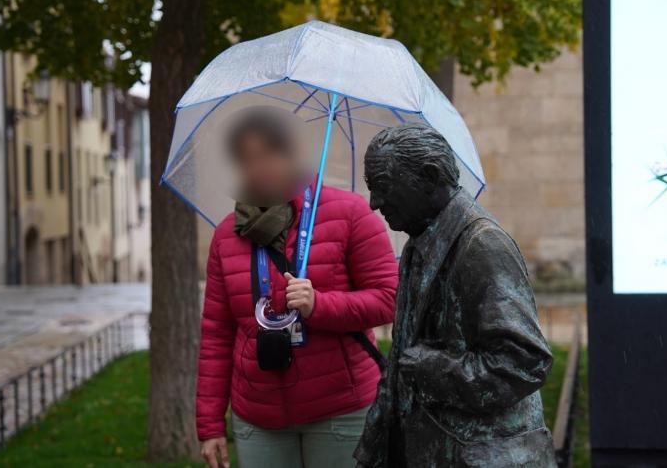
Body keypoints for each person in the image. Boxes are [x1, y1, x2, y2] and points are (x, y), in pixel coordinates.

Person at [196, 107, 398, 468]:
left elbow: (389, 299)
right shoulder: (227, 234)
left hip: (340, 409)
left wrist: (318, 305)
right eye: (246, 159)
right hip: (258, 416)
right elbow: (217, 333)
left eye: (267, 154)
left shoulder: (350, 214)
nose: (258, 168)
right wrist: (210, 423)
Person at [355, 124, 556, 468]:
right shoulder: (420, 241)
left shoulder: (482, 246)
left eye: (384, 187)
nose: (375, 203)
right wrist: (372, 452)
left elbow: (525, 363)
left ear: (430, 177)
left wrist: (435, 369)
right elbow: (401, 362)